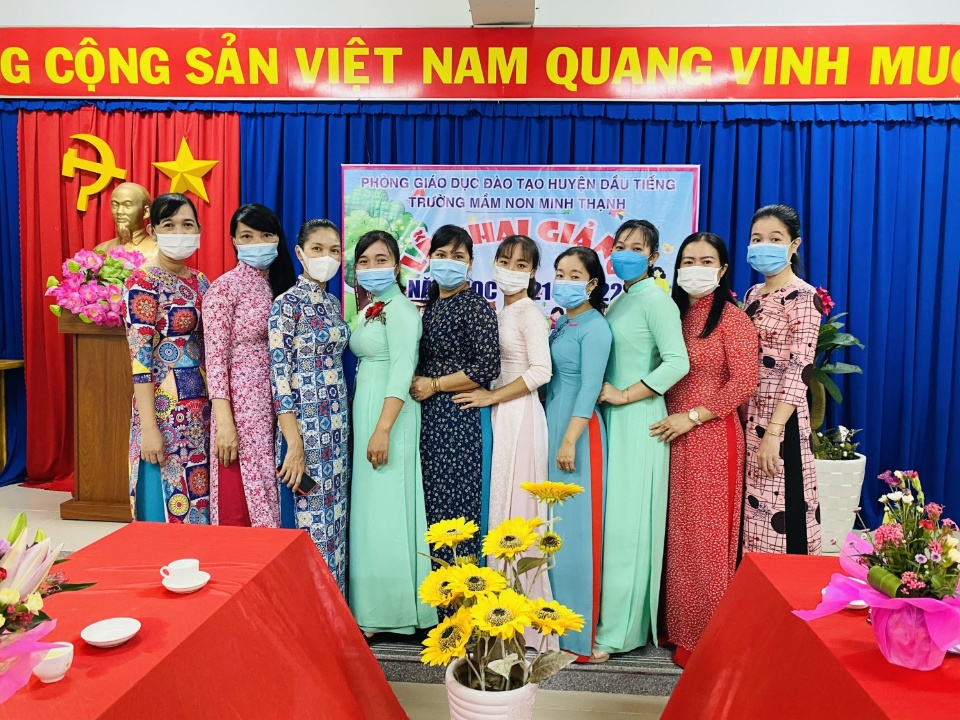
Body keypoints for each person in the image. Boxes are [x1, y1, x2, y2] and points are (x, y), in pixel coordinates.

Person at [650, 232, 759, 667]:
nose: (696, 268)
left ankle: (702, 636)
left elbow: (744, 382)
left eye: (706, 261)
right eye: (688, 260)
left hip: (709, 437)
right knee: (671, 535)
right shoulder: (671, 314)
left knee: (704, 540)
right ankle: (670, 624)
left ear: (723, 269)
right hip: (665, 434)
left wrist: (692, 416)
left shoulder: (732, 319)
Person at [595, 219, 689, 654]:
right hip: (612, 420)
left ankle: (620, 633)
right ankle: (606, 618)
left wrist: (625, 394)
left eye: (637, 248)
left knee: (627, 529)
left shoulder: (656, 300)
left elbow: (677, 362)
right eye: (620, 245)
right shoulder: (621, 299)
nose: (625, 253)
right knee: (611, 523)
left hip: (639, 419)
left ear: (653, 258)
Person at [453, 235, 554, 636]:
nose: (511, 270)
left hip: (521, 414)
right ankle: (495, 612)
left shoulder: (530, 313)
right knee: (498, 503)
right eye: (505, 261)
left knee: (518, 511)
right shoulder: (498, 311)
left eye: (521, 265)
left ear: (533, 272)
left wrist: (493, 396)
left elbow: (541, 371)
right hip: (499, 411)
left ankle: (522, 619)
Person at [348, 230, 434, 635]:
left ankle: (392, 612)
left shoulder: (401, 310)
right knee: (371, 510)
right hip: (369, 408)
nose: (371, 268)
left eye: (380, 259)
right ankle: (373, 606)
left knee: (387, 508)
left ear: (396, 265)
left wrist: (382, 429)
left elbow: (402, 370)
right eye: (364, 261)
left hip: (390, 415)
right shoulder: (371, 307)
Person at [269, 219, 351, 593]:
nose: (326, 257)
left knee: (336, 524)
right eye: (318, 249)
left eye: (334, 250)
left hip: (337, 429)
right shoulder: (286, 305)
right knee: (310, 524)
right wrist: (294, 444)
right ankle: (310, 611)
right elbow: (279, 377)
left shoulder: (333, 304)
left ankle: (336, 610)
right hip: (305, 428)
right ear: (300, 253)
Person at [410, 225, 501, 565]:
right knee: (433, 500)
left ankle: (461, 586)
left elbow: (487, 366)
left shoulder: (474, 306)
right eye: (441, 254)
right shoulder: (433, 305)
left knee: (456, 503)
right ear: (430, 258)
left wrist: (435, 385)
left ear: (470, 263)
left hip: (458, 418)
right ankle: (436, 585)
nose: (448, 261)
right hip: (431, 418)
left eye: (457, 256)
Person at [205, 204, 296, 528]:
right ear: (234, 241)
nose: (257, 243)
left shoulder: (286, 286)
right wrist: (224, 423)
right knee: (246, 491)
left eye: (265, 235)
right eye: (247, 236)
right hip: (244, 408)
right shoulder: (224, 288)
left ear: (278, 238)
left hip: (282, 402)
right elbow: (215, 360)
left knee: (281, 478)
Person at [122, 193, 210, 523]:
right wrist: (149, 428)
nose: (179, 232)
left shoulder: (201, 281)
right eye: (169, 225)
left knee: (200, 503)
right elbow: (140, 361)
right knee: (166, 503)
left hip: (202, 411)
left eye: (187, 225)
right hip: (164, 411)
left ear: (198, 230)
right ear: (153, 230)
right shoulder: (142, 282)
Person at [544, 246, 612, 662]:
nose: (564, 281)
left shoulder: (596, 327)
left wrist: (570, 439)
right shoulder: (563, 323)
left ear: (592, 283)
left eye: (574, 275)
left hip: (579, 431)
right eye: (560, 273)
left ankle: (578, 635)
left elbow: (590, 386)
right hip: (553, 421)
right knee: (553, 528)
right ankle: (550, 624)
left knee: (576, 533)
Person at [742, 205, 822, 555]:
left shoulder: (804, 297)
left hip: (782, 420)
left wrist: (773, 433)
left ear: (794, 245)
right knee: (751, 514)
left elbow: (800, 367)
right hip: (748, 415)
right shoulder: (752, 295)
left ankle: (787, 586)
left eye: (775, 239)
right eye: (757, 239)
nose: (765, 246)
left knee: (783, 511)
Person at [95, 182, 157, 261]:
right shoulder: (101, 250)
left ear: (146, 212)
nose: (119, 211)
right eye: (115, 205)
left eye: (127, 205)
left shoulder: (158, 252)